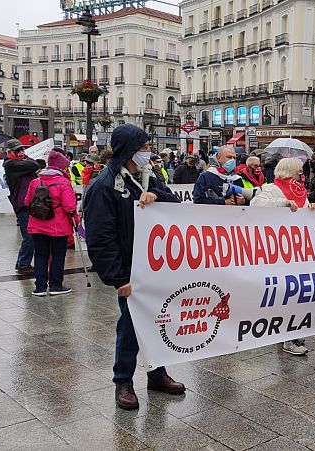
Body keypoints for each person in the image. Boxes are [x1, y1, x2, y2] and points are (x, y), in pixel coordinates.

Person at [83, 124, 185, 410]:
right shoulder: (104, 186)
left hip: (155, 267)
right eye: (144, 147)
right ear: (129, 150)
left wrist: (157, 197)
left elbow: (174, 203)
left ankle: (157, 374)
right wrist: (118, 279)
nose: (148, 152)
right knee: (130, 326)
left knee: (159, 321)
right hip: (130, 271)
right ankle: (123, 382)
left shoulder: (148, 177)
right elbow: (100, 238)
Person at [250, 158, 315, 355]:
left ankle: (291, 334)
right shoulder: (273, 189)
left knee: (297, 294)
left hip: (298, 251)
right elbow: (255, 203)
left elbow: (302, 214)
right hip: (280, 251)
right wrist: (283, 203)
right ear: (289, 171)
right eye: (299, 171)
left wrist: (310, 209)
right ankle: (288, 338)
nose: (302, 174)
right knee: (287, 295)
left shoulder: (300, 191)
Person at [25, 151, 78, 297]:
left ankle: (40, 287)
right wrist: (76, 222)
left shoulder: (35, 182)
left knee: (40, 254)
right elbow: (70, 207)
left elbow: (27, 202)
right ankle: (55, 285)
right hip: (58, 227)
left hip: (37, 225)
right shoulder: (64, 183)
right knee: (57, 256)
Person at [3, 139, 39, 275]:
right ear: (9, 152)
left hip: (28, 202)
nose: (20, 153)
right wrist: (26, 160)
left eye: (21, 150)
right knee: (29, 236)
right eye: (17, 151)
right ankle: (23, 264)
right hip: (22, 204)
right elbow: (34, 164)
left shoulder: (18, 163)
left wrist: (25, 159)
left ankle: (21, 262)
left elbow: (34, 164)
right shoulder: (10, 164)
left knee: (30, 235)